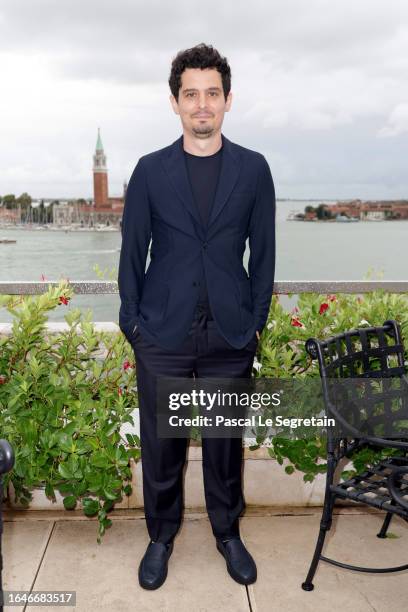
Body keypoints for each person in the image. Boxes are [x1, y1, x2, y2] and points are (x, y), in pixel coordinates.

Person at [118, 43, 275, 590]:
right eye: (192, 95)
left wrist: (254, 321)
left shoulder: (254, 170)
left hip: (230, 334)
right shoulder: (149, 171)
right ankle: (160, 537)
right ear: (175, 103)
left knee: (223, 445)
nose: (202, 104)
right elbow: (132, 251)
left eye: (212, 94)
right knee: (161, 447)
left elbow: (265, 254)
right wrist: (133, 324)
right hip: (161, 333)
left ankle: (227, 533)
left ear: (228, 100)